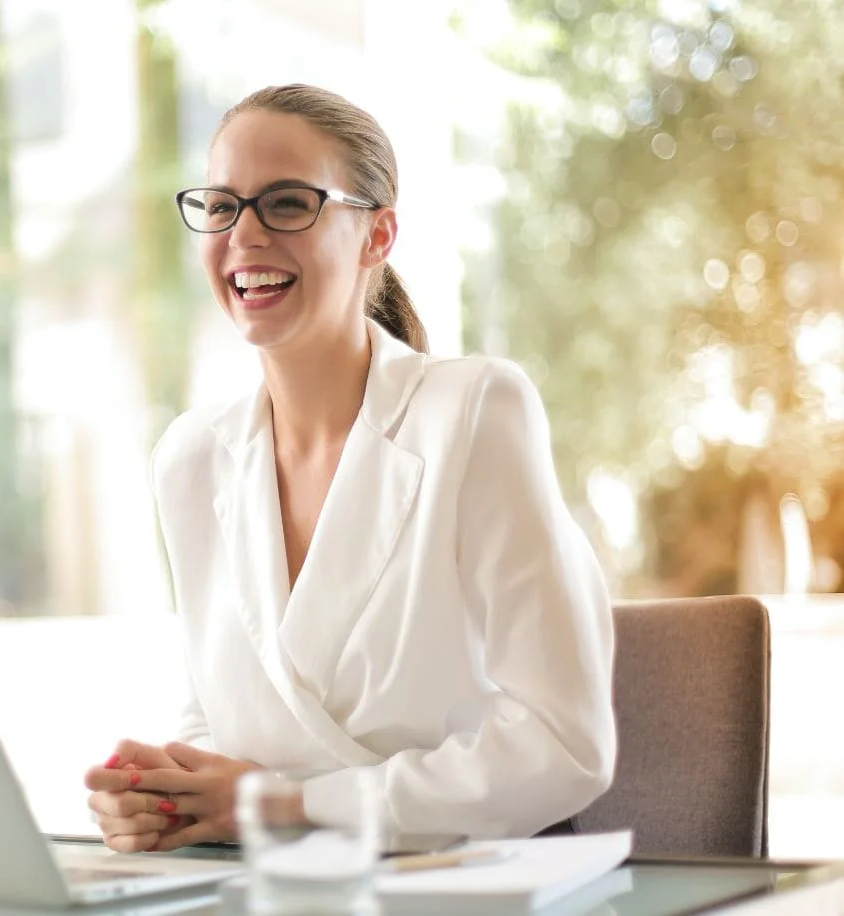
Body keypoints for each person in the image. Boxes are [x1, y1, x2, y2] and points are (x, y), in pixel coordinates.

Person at [84, 84, 616, 854]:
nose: (244, 235)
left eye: (288, 204)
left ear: (377, 235)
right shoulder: (191, 460)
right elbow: (218, 713)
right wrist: (164, 795)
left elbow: (563, 744)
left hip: (457, 885)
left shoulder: (472, 412)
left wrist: (287, 804)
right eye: (222, 205)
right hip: (278, 890)